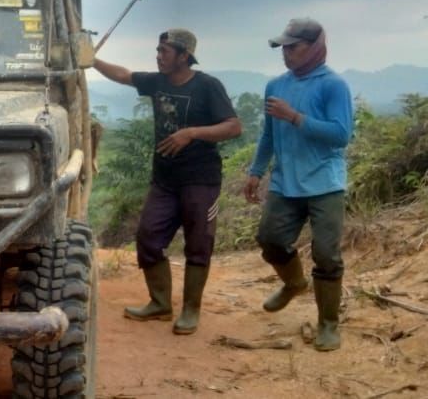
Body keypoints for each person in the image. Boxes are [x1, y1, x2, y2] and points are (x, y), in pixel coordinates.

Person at [93, 29, 241, 335]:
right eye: (158, 51)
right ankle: (160, 303)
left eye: (165, 52)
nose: (159, 56)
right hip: (164, 179)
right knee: (148, 237)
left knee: (198, 243)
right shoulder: (157, 82)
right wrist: (91, 60)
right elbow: (123, 75)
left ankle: (190, 309)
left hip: (200, 179)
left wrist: (192, 133)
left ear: (184, 56)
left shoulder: (208, 86)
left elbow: (233, 126)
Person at [243, 18, 353, 352]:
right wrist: (256, 170)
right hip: (285, 182)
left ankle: (328, 324)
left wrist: (295, 117)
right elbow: (267, 135)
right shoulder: (276, 86)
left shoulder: (333, 86)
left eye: (293, 47)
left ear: (316, 47)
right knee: (270, 240)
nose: (286, 53)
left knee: (326, 254)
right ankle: (293, 282)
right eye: (283, 47)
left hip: (325, 183)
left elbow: (341, 135)